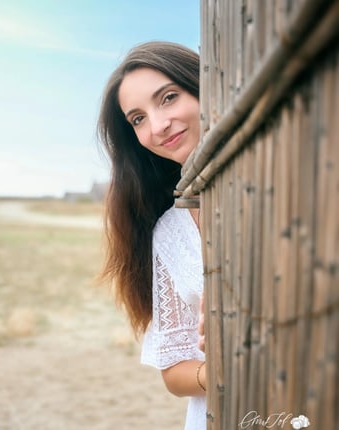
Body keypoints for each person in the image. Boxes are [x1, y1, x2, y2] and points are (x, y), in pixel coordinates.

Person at [97, 41, 206, 430]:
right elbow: (175, 371)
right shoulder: (170, 231)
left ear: (204, 84)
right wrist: (221, 367)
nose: (158, 126)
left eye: (169, 98)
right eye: (138, 119)